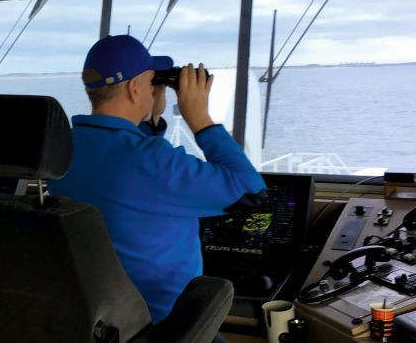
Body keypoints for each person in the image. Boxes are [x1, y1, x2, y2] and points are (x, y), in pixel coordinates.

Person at [48, 35, 267, 324]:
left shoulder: (65, 147)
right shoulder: (152, 161)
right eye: (153, 82)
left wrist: (149, 124)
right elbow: (251, 195)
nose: (156, 91)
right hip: (165, 320)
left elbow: (130, 169)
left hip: (99, 317)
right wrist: (200, 119)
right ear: (135, 88)